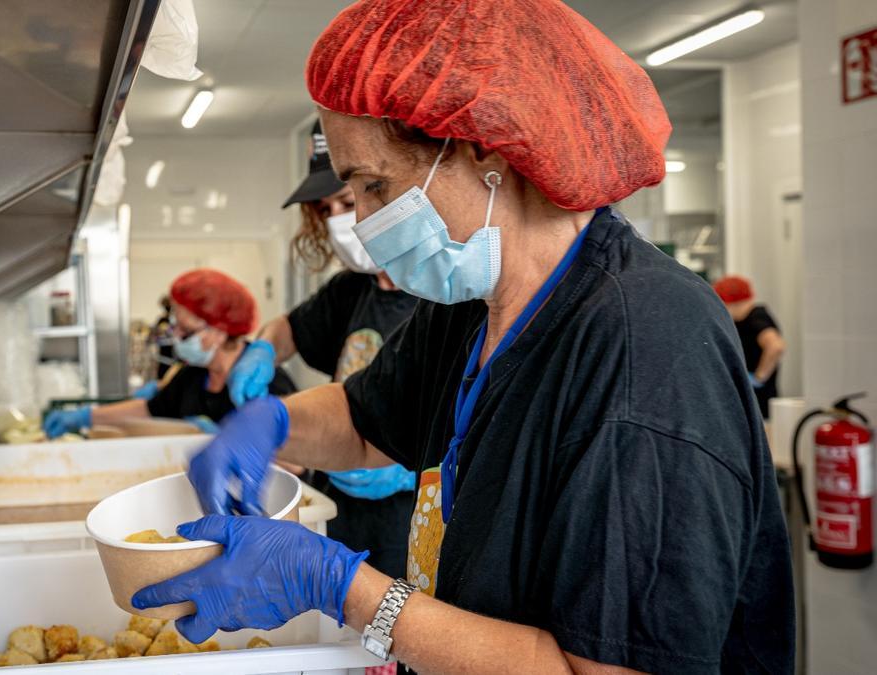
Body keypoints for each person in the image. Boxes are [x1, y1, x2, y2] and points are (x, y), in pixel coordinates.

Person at [130, 2, 795, 673]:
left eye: (373, 183)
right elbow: (366, 419)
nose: (360, 219)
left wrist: (342, 588)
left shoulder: (644, 346)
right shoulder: (476, 299)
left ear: (483, 149)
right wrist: (269, 421)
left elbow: (608, 668)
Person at [227, 121, 419, 577]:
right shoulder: (350, 290)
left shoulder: (443, 296)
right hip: (343, 510)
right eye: (325, 208)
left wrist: (412, 467)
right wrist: (262, 351)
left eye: (349, 201)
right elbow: (288, 328)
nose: (339, 220)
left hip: (411, 519)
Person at [44, 269, 296, 437]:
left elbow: (297, 464)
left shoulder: (264, 381)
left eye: (185, 331)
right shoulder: (193, 377)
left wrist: (220, 439)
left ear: (219, 331)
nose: (176, 338)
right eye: (175, 327)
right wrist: (85, 417)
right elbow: (149, 409)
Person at [713, 275, 786, 418]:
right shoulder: (743, 320)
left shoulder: (756, 318)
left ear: (730, 302)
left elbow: (776, 346)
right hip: (753, 400)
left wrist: (758, 378)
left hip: (761, 402)